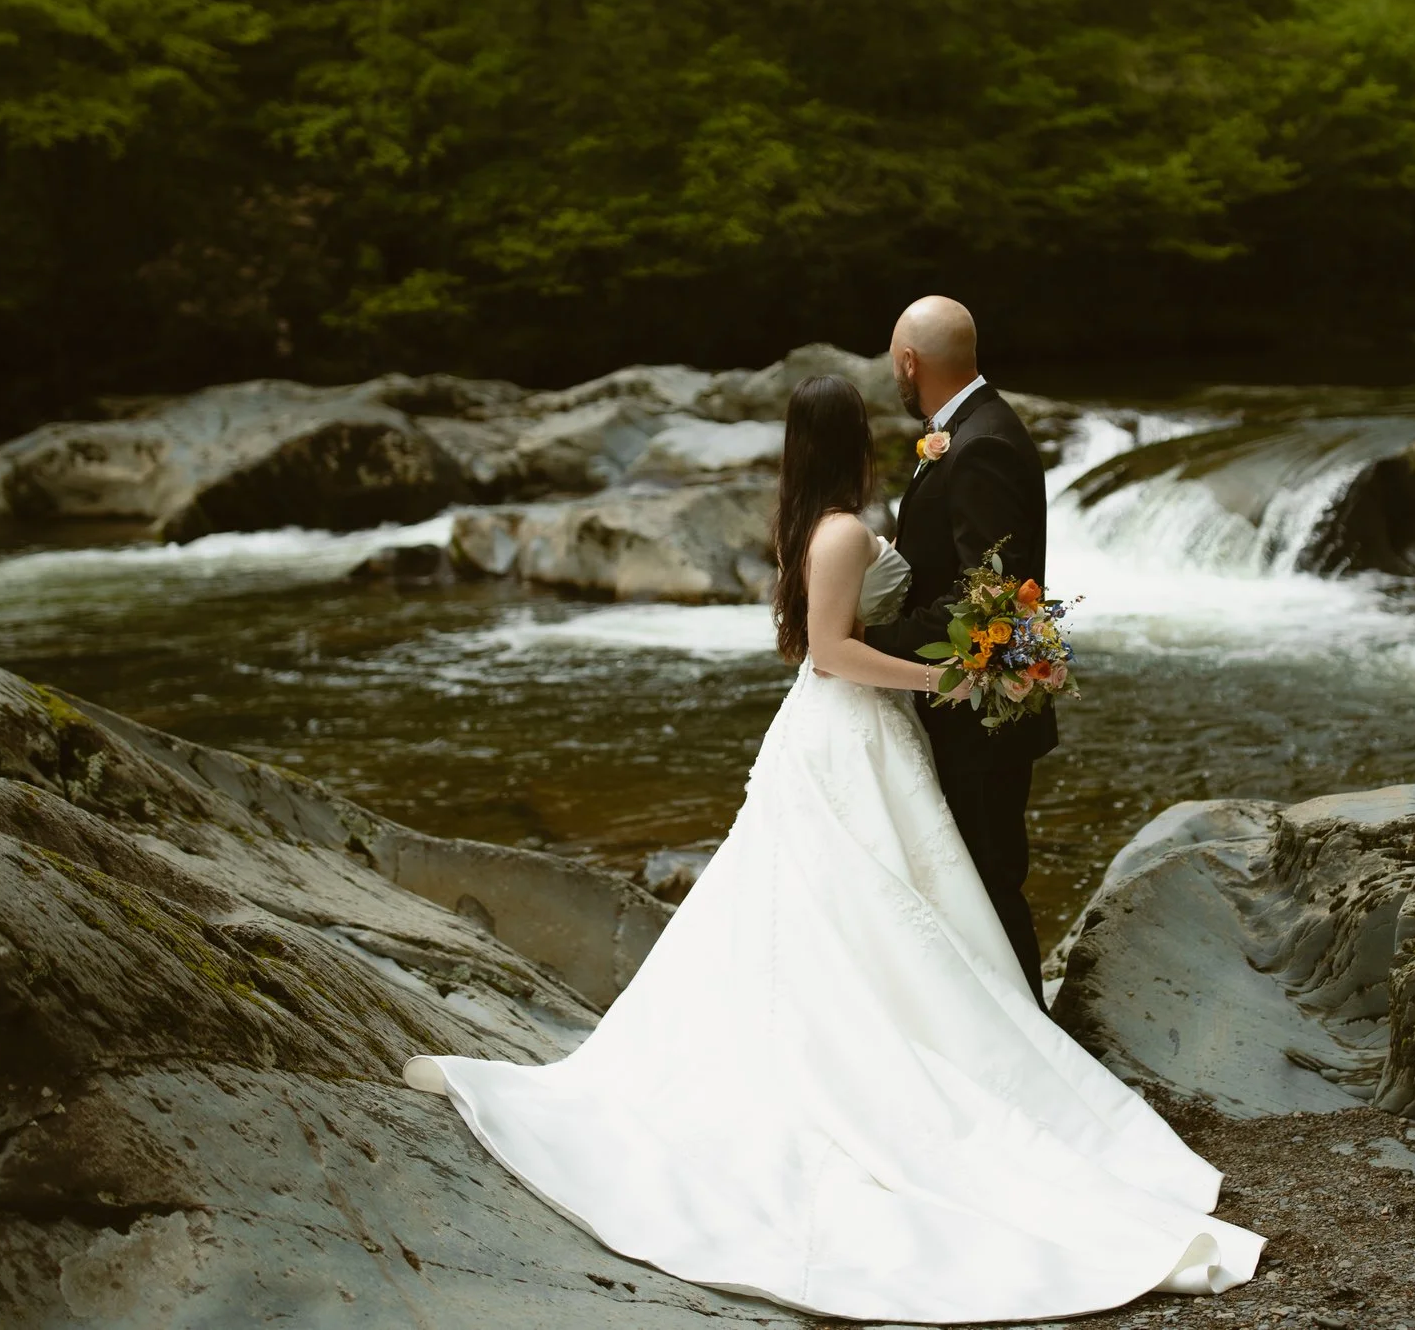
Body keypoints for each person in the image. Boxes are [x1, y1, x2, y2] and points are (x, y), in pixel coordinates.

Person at [404, 357, 1260, 1325]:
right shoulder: (844, 528)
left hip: (840, 726)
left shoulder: (816, 520)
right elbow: (830, 650)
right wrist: (941, 678)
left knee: (851, 896)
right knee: (854, 896)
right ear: (849, 439)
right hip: (848, 720)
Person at [861, 294, 1056, 999]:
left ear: (910, 361)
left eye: (894, 361)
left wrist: (871, 642)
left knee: (989, 887)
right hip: (964, 703)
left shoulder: (984, 443)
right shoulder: (968, 430)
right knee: (971, 886)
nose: (895, 374)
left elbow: (985, 599)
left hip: (982, 717)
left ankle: (1036, 1042)